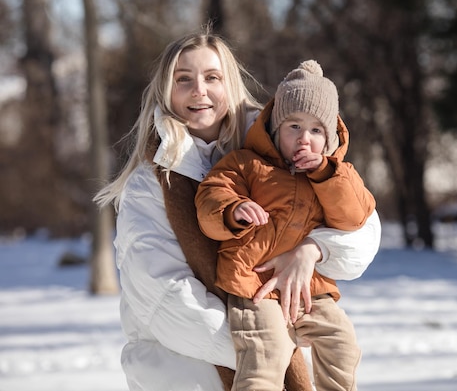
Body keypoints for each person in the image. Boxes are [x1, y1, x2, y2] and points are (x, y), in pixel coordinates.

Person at [93, 27, 382, 391]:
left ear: (229, 84)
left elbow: (362, 228)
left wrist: (312, 250)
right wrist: (269, 340)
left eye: (211, 77)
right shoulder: (149, 185)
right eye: (184, 79)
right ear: (166, 92)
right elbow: (165, 298)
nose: (199, 90)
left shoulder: (285, 146)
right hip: (185, 372)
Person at [195, 59, 375, 391]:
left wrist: (325, 173)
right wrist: (235, 209)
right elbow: (210, 198)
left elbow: (354, 216)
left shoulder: (337, 175)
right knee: (266, 353)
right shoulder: (247, 164)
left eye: (316, 130)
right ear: (275, 130)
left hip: (311, 290)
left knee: (342, 341)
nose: (304, 138)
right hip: (254, 285)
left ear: (330, 138)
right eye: (293, 126)